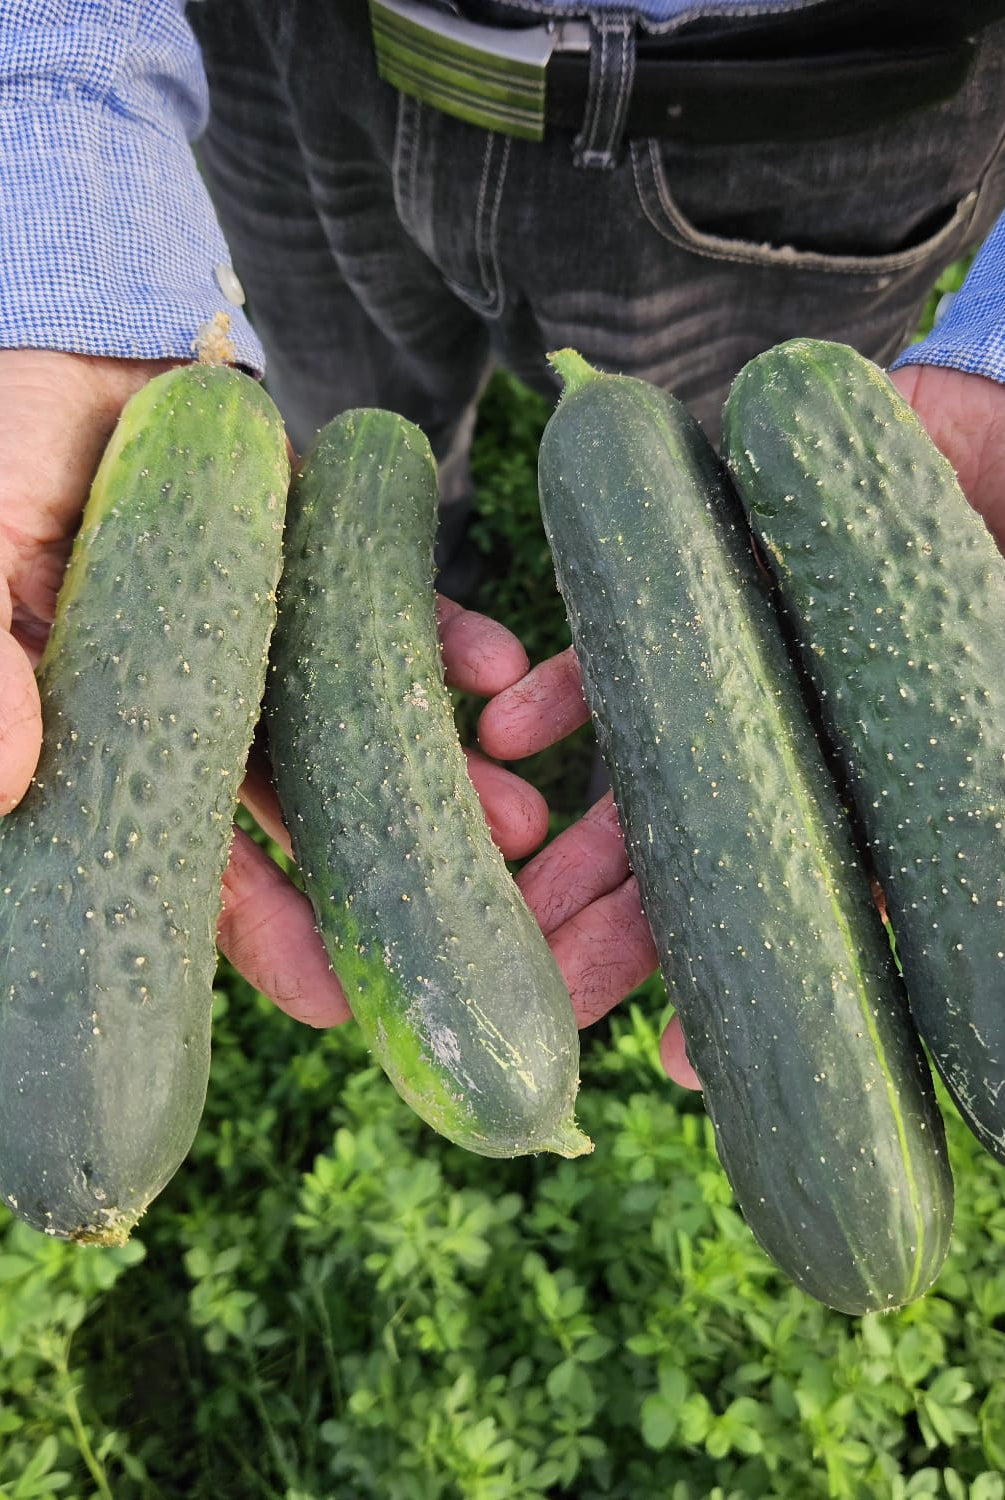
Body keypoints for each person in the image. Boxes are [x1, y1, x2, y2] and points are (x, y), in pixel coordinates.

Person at [1, 0, 1003, 1091]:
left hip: (788, 99)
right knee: (347, 422)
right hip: (278, 51)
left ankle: (479, 593)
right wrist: (66, 161)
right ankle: (441, 560)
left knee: (714, 547)